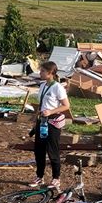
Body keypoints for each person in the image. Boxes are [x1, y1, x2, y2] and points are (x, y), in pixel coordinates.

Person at [31, 61, 71, 190]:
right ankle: (39, 176)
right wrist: (35, 119)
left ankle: (56, 178)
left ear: (50, 73)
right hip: (42, 120)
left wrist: (51, 111)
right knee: (39, 150)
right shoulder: (43, 85)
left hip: (52, 122)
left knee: (52, 150)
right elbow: (41, 104)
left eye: (42, 71)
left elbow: (66, 105)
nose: (40, 73)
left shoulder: (57, 87)